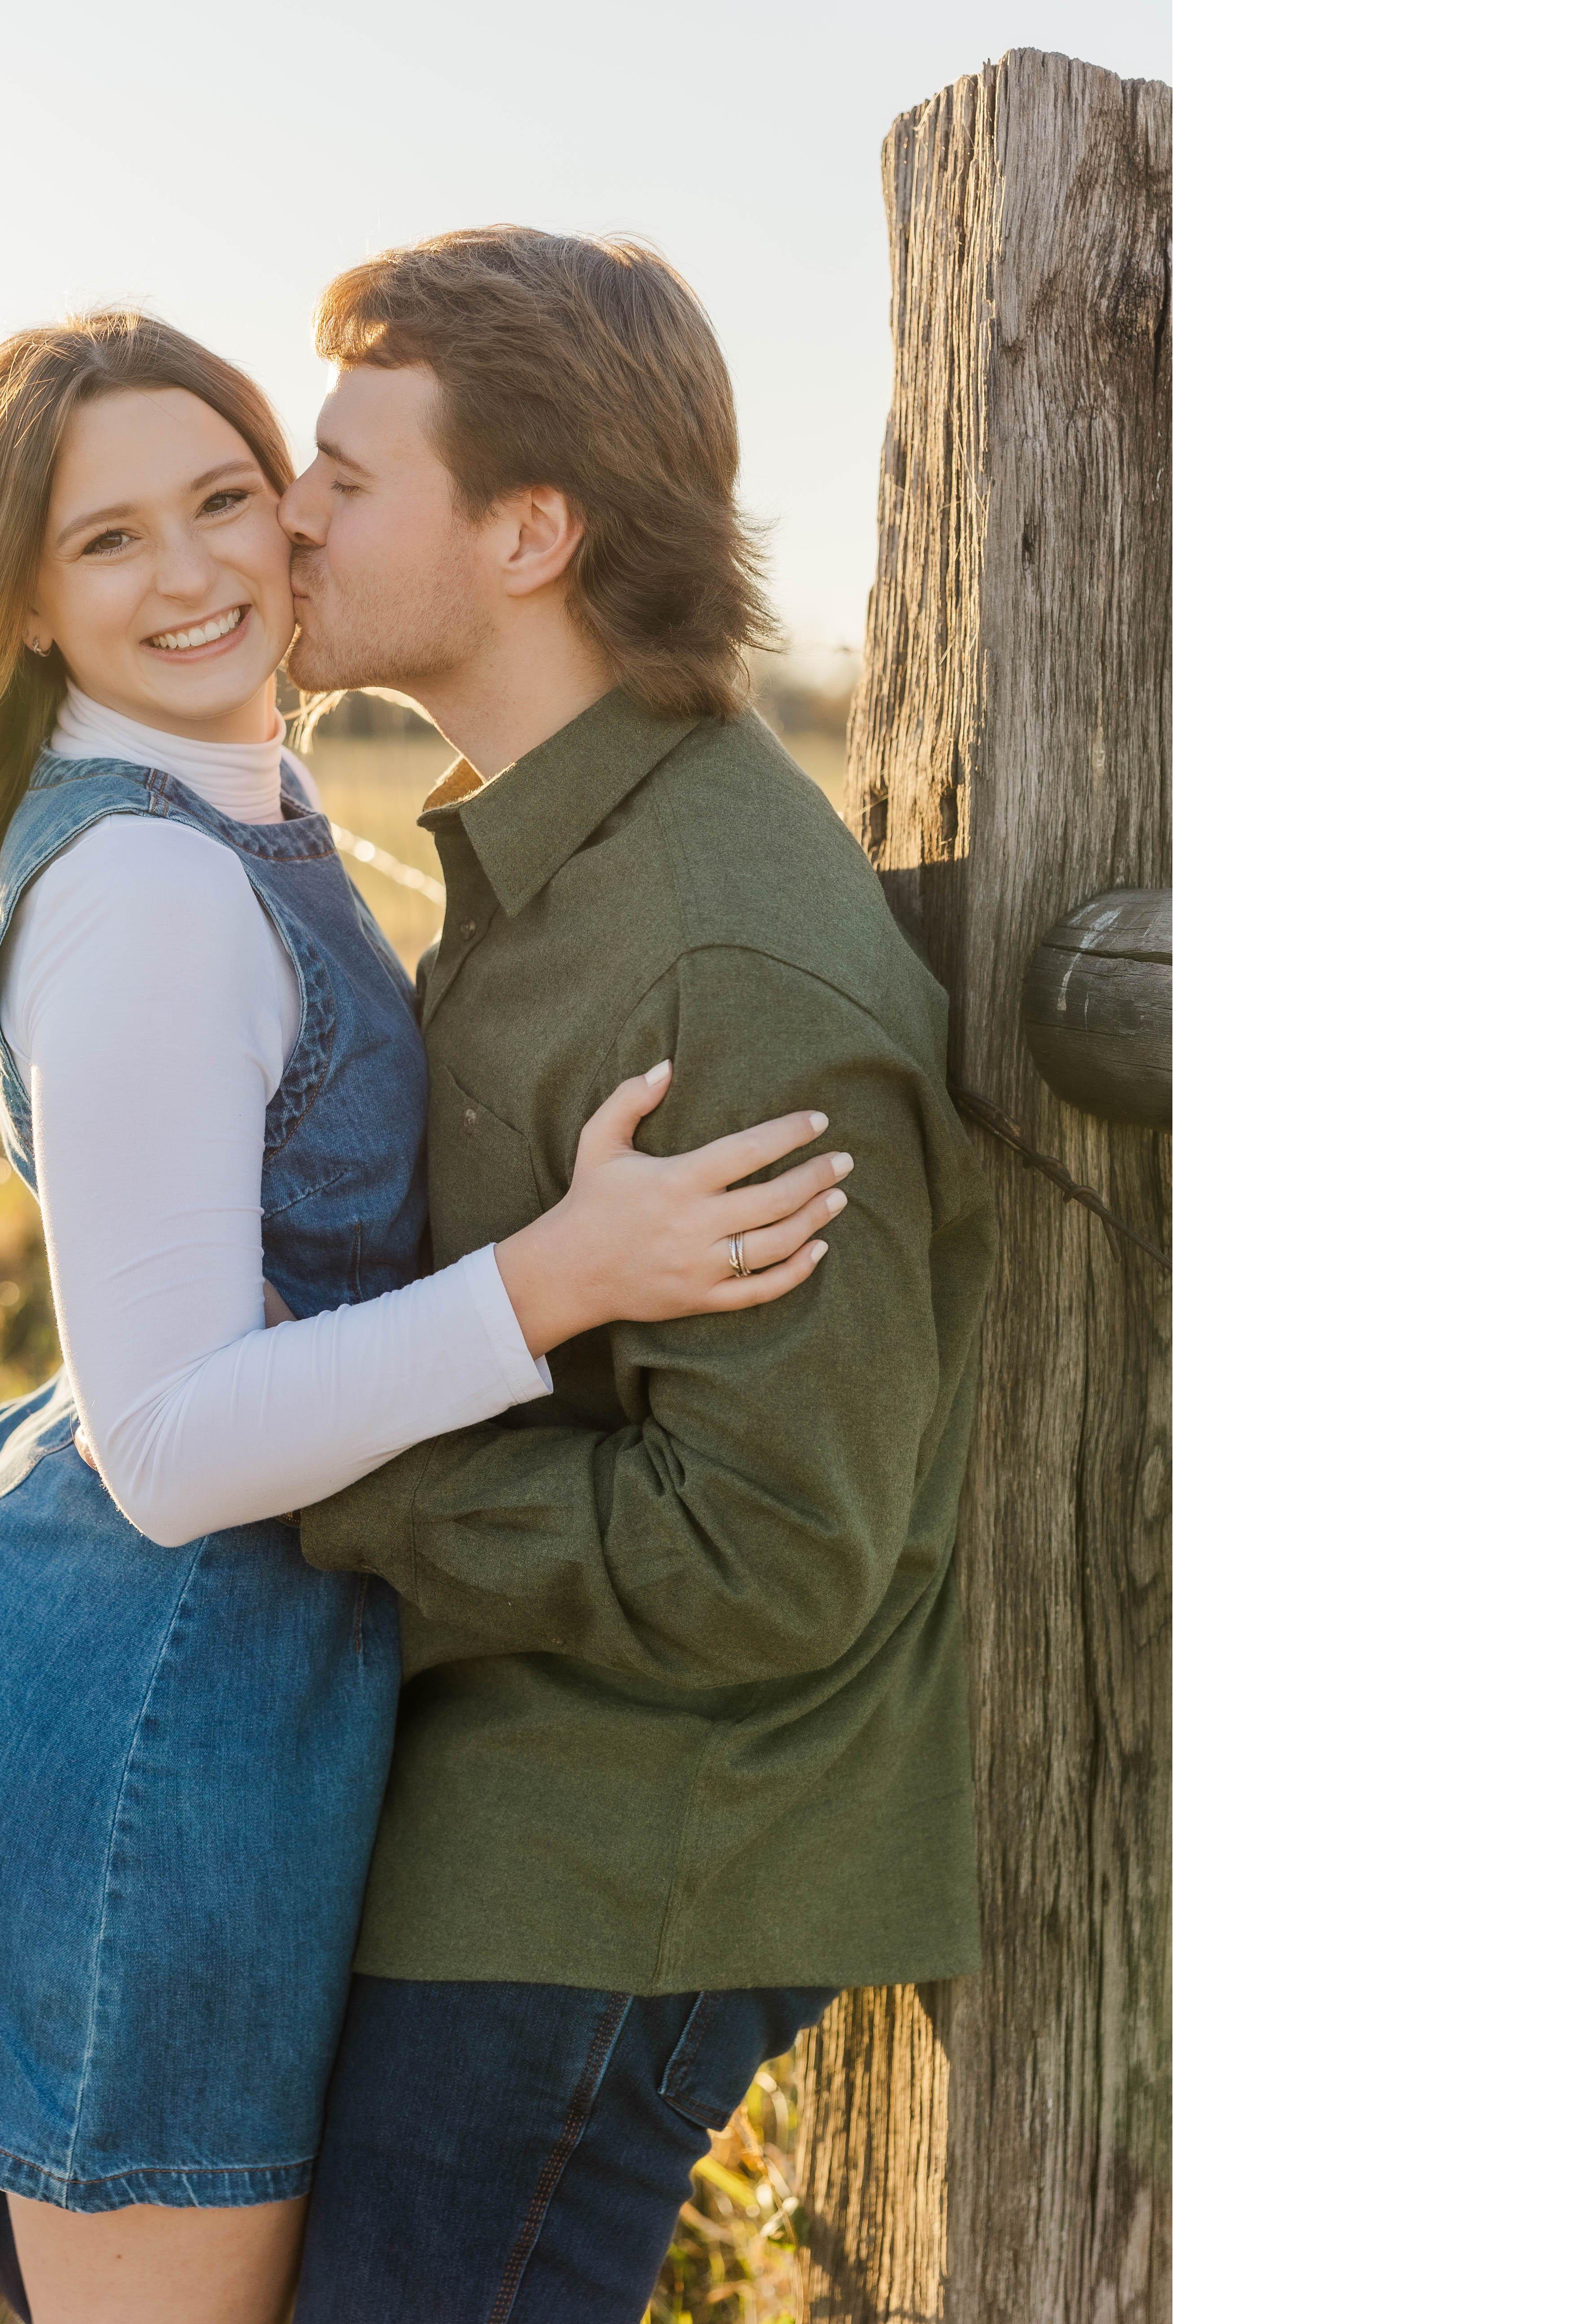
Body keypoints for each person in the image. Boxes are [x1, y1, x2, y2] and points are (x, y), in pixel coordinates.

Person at [0, 309, 853, 2324]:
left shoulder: (229, 797)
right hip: (145, 1711)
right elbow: (167, 1449)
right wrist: (555, 1281)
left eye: (225, 497)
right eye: (108, 540)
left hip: (43, 1646)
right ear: (28, 603)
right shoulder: (150, 890)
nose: (195, 570)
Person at [258, 229, 995, 2321]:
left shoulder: (718, 964)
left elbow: (777, 1553)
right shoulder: (563, 850)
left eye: (346, 475)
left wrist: (334, 1474)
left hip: (621, 1858)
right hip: (507, 1796)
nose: (289, 512)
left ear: (529, 533)